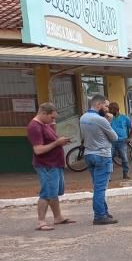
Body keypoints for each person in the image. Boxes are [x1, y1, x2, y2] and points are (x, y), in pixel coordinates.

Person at [26, 103, 76, 231]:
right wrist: (57, 143)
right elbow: (38, 150)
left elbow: (51, 141)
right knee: (47, 193)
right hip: (46, 165)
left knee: (53, 193)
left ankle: (58, 217)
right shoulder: (34, 127)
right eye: (51, 117)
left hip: (55, 164)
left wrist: (60, 141)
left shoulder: (44, 124)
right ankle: (41, 221)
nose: (53, 120)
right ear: (43, 113)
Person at [80, 94, 118, 225]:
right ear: (98, 105)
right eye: (105, 106)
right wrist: (109, 121)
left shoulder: (83, 117)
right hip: (102, 155)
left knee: (97, 186)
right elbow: (114, 137)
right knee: (100, 188)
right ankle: (100, 215)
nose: (107, 109)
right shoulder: (100, 119)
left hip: (89, 153)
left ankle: (104, 211)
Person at [109, 102, 132, 180]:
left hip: (122, 142)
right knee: (109, 159)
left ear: (117, 110)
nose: (110, 111)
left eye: (112, 110)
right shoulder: (109, 118)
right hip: (111, 142)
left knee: (124, 158)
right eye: (110, 110)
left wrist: (129, 138)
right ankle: (108, 176)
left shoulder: (124, 118)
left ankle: (125, 174)